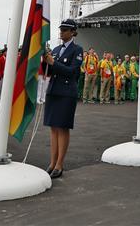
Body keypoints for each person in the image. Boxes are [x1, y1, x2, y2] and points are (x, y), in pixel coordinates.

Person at [42, 19, 83, 179]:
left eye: (65, 30)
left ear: (73, 32)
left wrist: (54, 63)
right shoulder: (56, 49)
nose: (62, 32)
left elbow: (73, 72)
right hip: (53, 90)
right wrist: (44, 61)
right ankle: (52, 162)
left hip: (66, 92)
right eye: (61, 29)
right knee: (53, 127)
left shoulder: (77, 49)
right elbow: (49, 70)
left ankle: (59, 164)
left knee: (63, 128)